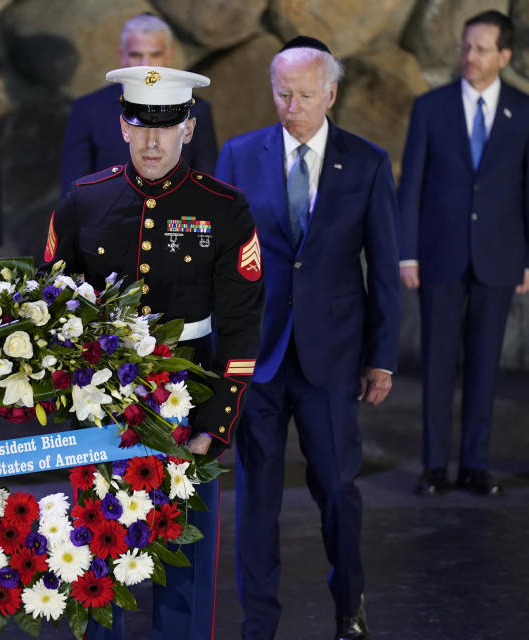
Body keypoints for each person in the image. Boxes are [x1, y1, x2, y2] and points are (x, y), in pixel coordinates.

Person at [43, 66, 263, 640]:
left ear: (189, 129)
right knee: (96, 559)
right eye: (139, 125)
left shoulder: (224, 207)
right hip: (102, 411)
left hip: (189, 408)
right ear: (122, 125)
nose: (151, 141)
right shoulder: (85, 200)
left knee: (184, 568)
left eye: (166, 128)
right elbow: (50, 308)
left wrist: (213, 426)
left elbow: (241, 328)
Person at [216, 36, 401, 640]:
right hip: (258, 358)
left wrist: (382, 358)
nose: (290, 104)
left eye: (302, 94)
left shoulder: (367, 163)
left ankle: (350, 604)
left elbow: (384, 265)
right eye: (281, 92)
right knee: (256, 500)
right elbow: (219, 261)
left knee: (338, 490)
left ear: (331, 94)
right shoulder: (239, 155)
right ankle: (257, 623)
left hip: (334, 356)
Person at [398, 10, 529, 497]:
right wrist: (407, 253)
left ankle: (476, 464)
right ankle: (435, 466)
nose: (470, 56)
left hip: (500, 257)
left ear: (504, 55)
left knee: (485, 364)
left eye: (481, 48)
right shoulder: (430, 107)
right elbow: (412, 187)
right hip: (439, 255)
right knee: (437, 364)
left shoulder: (528, 112)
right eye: (465, 46)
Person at [59, 12, 218, 197]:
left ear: (169, 54)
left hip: (174, 222)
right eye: (136, 55)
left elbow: (207, 188)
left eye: (155, 54)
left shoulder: (196, 109)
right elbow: (74, 193)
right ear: (122, 55)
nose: (146, 64)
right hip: (107, 222)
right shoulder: (87, 110)